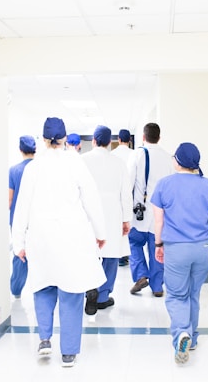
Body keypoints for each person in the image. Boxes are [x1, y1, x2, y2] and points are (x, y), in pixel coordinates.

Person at [11, 117, 107, 367]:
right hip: (71, 238)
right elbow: (92, 200)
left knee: (43, 287)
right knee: (72, 293)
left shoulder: (33, 167)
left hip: (41, 238)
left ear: (43, 140)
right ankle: (68, 352)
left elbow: (22, 207)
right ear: (64, 139)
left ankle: (44, 340)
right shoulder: (76, 163)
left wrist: (18, 241)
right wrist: (100, 232)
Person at [151, 142, 208, 364]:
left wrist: (158, 245)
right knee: (193, 294)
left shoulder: (164, 185)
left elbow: (158, 221)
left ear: (178, 161)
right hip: (203, 249)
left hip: (177, 249)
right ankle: (191, 339)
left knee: (176, 295)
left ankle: (181, 333)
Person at [82, 126, 132, 315]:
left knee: (89, 253)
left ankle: (89, 288)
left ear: (94, 141)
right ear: (109, 143)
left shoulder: (82, 161)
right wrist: (126, 219)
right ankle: (102, 296)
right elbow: (126, 195)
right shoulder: (119, 163)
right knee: (111, 255)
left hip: (87, 214)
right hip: (112, 214)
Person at [127, 122, 175, 297]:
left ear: (143, 137)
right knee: (158, 248)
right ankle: (157, 287)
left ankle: (141, 275)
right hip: (160, 214)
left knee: (134, 243)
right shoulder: (168, 158)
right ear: (159, 137)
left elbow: (128, 183)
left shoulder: (138, 154)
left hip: (140, 212)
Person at [8, 135, 36, 298]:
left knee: (20, 253)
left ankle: (16, 289)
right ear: (35, 150)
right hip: (37, 218)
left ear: (20, 150)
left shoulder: (13, 170)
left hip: (18, 218)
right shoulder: (40, 168)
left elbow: (10, 200)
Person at [111, 129, 134, 266]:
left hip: (115, 194)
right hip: (129, 193)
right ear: (129, 140)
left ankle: (119, 255)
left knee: (116, 224)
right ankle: (127, 254)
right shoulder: (135, 154)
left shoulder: (112, 155)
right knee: (129, 224)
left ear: (119, 139)